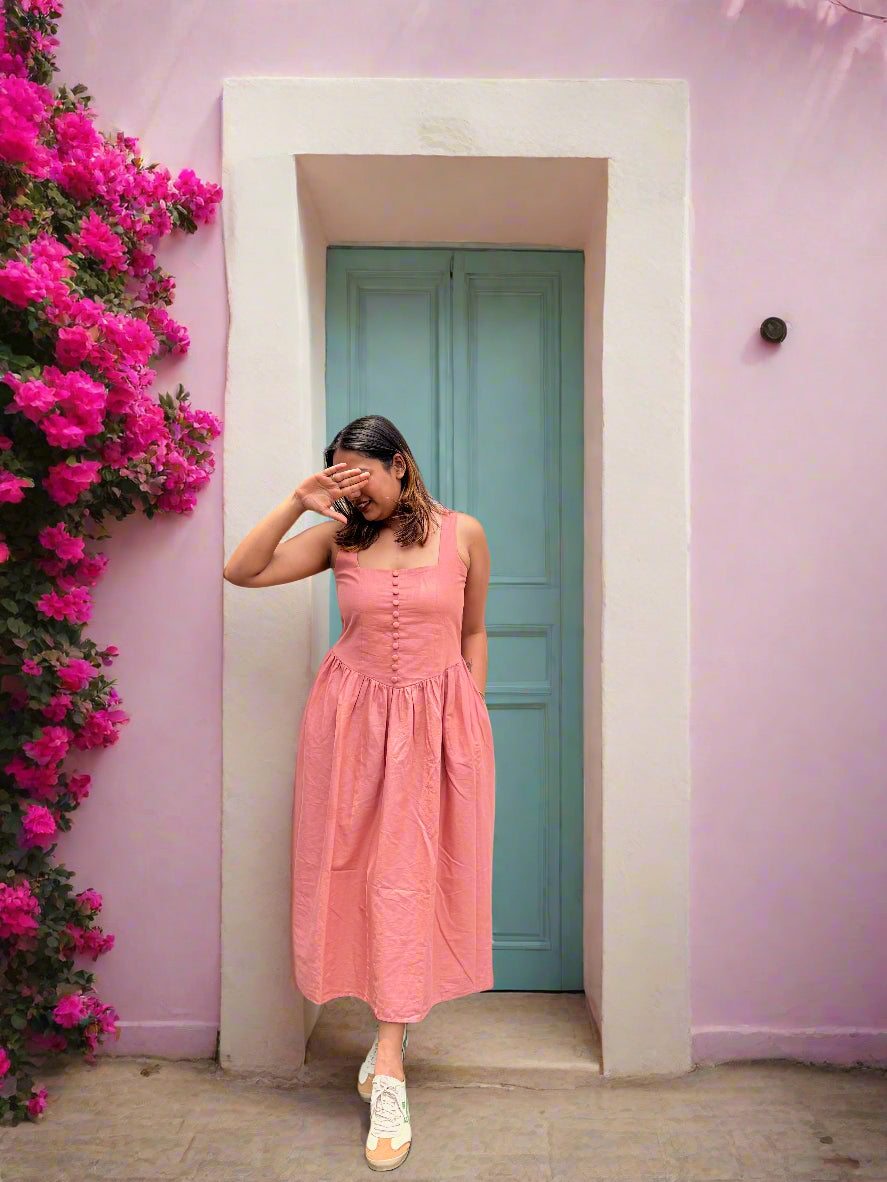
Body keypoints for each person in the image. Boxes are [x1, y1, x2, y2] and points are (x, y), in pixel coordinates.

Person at [223, 414, 496, 1172]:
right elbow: (241, 571)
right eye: (337, 475)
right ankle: (387, 1058)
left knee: (415, 881)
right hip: (350, 727)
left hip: (440, 727)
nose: (352, 489)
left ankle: (389, 1062)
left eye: (359, 475)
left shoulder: (463, 533)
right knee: (361, 878)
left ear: (400, 466)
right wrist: (297, 501)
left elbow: (474, 630)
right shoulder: (337, 537)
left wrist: (469, 708)